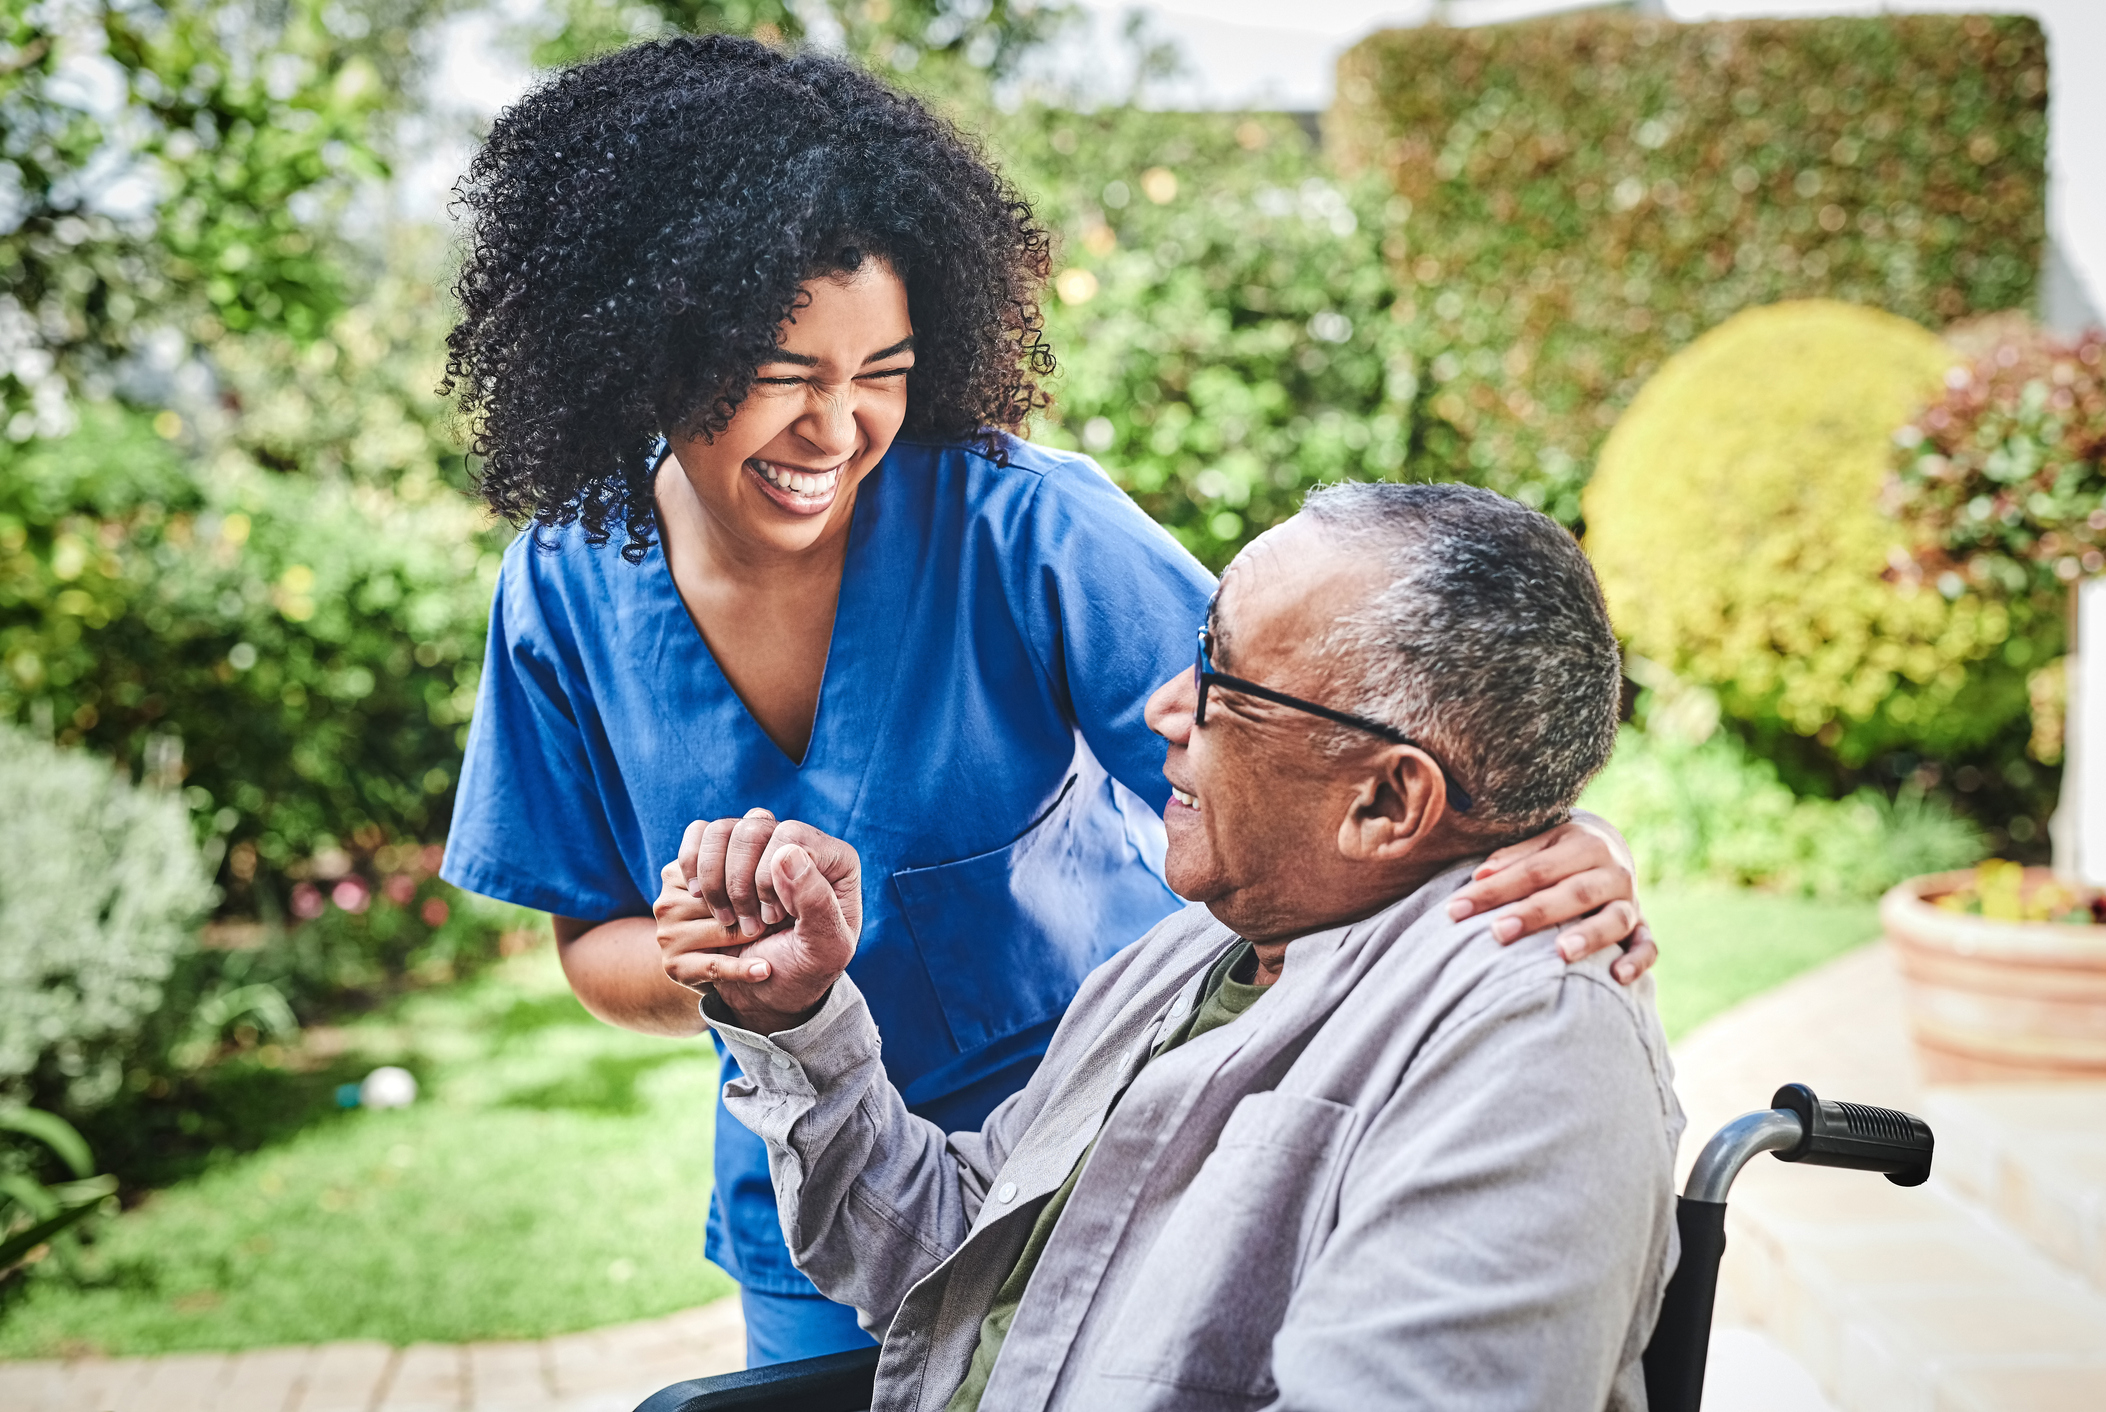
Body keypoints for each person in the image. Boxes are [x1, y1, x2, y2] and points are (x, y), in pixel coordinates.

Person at [438, 35, 1659, 1366]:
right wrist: (736, 971)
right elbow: (592, 942)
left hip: (1108, 1154)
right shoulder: (559, 589)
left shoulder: (1024, 528)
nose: (837, 429)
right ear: (649, 343)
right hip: (823, 1182)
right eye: (783, 376)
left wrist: (1549, 835)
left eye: (883, 375)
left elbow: (1318, 755)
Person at [670, 481, 1682, 1411]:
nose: (1160, 706)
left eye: (1222, 682)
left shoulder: (1531, 1050)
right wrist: (797, 1018)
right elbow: (954, 1255)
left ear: (1383, 799)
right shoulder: (1191, 952)